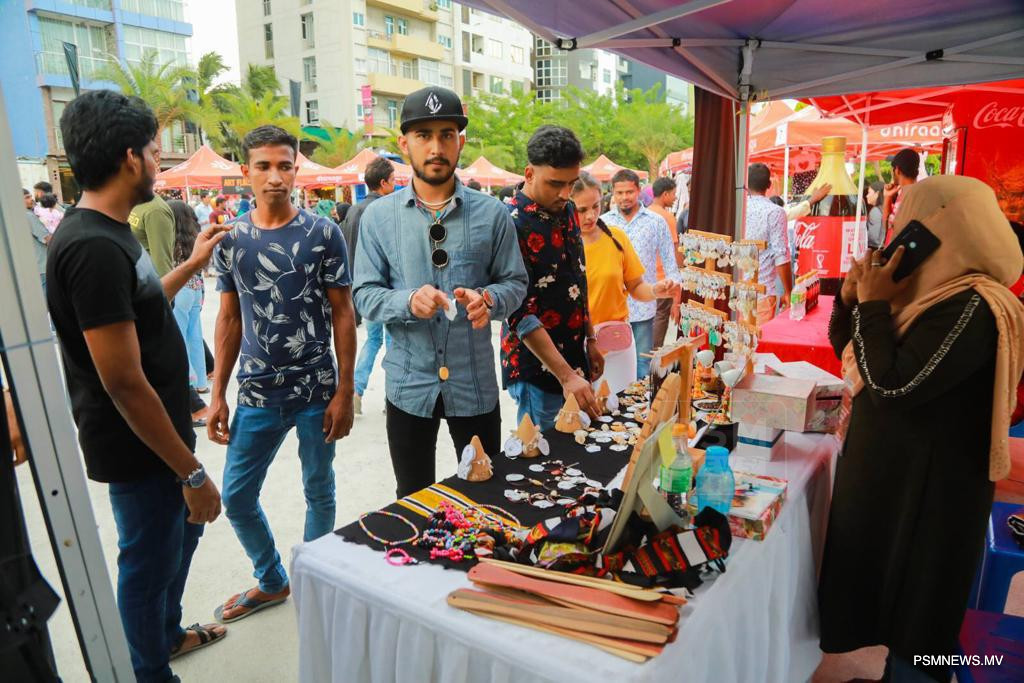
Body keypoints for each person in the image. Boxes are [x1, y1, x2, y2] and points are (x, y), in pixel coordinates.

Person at [46, 89, 228, 682]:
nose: (158, 163)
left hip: (161, 439)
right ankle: (149, 672)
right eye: (154, 152)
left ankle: (166, 639)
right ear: (130, 158)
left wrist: (192, 264)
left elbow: (141, 305)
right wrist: (191, 474)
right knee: (148, 566)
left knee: (178, 544)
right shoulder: (92, 248)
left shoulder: (110, 231)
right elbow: (123, 383)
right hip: (139, 449)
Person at [817, 175, 1024, 683]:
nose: (898, 233)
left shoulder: (975, 306)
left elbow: (892, 385)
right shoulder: (923, 294)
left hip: (931, 497)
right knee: (884, 601)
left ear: (947, 229)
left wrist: (873, 305)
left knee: (919, 618)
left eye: (909, 222)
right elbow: (855, 355)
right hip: (894, 481)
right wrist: (851, 300)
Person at [207, 125, 356, 622]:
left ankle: (315, 582)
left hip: (316, 390)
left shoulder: (323, 233)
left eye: (284, 166)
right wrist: (217, 393)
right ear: (245, 171)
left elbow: (343, 313)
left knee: (319, 488)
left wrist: (345, 390)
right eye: (264, 166)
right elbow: (229, 318)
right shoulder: (231, 239)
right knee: (236, 497)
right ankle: (273, 581)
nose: (275, 176)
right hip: (256, 394)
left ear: (296, 169)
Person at [353, 86, 527, 497]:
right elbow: (363, 293)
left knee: (485, 491)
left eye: (446, 135)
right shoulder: (378, 218)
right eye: (423, 135)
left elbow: (516, 282)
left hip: (474, 383)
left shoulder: (493, 213)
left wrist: (490, 300)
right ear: (404, 144)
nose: (436, 147)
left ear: (460, 141)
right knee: (413, 497)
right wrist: (406, 301)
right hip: (408, 386)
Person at [502, 126, 603, 430]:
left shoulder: (568, 210)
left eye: (571, 184)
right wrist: (566, 376)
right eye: (555, 184)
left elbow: (578, 281)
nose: (565, 194)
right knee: (541, 450)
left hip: (574, 358)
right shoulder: (509, 223)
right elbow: (519, 313)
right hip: (537, 368)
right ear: (529, 173)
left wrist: (591, 339)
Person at [601, 169, 681, 378]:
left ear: (639, 191)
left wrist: (673, 293)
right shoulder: (603, 224)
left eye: (629, 192)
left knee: (643, 363)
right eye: (619, 193)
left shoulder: (656, 222)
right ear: (613, 193)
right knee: (611, 365)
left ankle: (642, 400)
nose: (624, 197)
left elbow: (670, 263)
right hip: (611, 310)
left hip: (643, 307)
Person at [573, 173, 678, 331]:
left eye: (595, 206)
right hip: (574, 338)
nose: (590, 216)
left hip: (615, 334)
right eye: (581, 210)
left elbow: (635, 286)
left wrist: (654, 290)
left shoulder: (616, 237)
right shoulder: (558, 245)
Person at [343, 156, 396, 414]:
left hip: (361, 287)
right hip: (386, 288)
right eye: (393, 180)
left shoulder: (353, 210)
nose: (395, 185)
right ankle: (393, 397)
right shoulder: (386, 210)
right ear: (383, 183)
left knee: (373, 340)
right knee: (394, 342)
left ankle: (356, 390)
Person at [167, 200, 209, 398]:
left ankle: (189, 382)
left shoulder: (171, 241)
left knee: (180, 337)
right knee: (195, 336)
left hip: (180, 290)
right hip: (196, 289)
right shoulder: (196, 238)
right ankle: (201, 383)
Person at [744, 162, 791, 323]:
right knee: (758, 339)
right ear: (769, 185)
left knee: (737, 338)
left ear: (746, 184)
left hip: (736, 292)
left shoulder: (738, 208)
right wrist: (788, 292)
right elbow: (781, 256)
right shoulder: (775, 212)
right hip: (762, 293)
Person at [647, 177, 684, 348]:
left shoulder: (644, 214)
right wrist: (681, 270)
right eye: (674, 194)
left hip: (645, 277)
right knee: (661, 316)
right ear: (665, 194)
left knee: (648, 317)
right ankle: (653, 353)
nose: (675, 198)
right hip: (663, 276)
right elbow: (675, 249)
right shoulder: (667, 217)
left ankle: (645, 352)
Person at [882, 148, 920, 238]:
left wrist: (887, 197)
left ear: (897, 170)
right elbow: (888, 226)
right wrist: (888, 196)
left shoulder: (909, 194)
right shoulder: (910, 192)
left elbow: (887, 226)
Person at [23, 189, 49, 290]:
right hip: (42, 266)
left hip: (30, 266)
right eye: (27, 197)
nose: (31, 199)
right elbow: (47, 238)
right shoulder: (28, 215)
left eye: (30, 196)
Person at [865, 180, 886, 249]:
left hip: (875, 249)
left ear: (877, 194)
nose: (867, 196)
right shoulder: (885, 208)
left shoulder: (875, 211)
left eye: (869, 193)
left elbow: (873, 238)